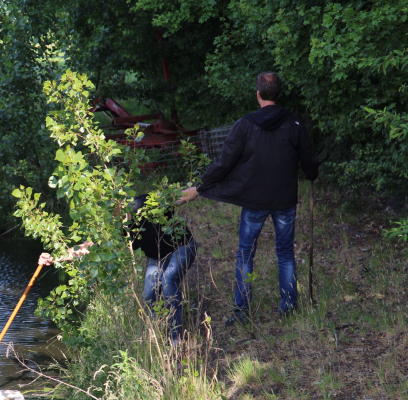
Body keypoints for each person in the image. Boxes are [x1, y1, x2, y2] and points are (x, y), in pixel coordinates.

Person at [180, 71, 319, 325]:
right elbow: (310, 166)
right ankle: (288, 307)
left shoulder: (245, 124)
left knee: (245, 254)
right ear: (278, 94)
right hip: (284, 200)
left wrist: (198, 187)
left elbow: (224, 162)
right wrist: (312, 173)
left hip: (254, 202)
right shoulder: (295, 124)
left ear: (258, 94)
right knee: (285, 253)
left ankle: (241, 312)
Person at [38, 193, 196, 342]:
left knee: (168, 281)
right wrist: (54, 257)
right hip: (158, 257)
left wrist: (204, 186)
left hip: (182, 246)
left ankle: (176, 337)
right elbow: (86, 247)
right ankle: (152, 336)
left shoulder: (142, 205)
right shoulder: (114, 229)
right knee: (149, 294)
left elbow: (177, 196)